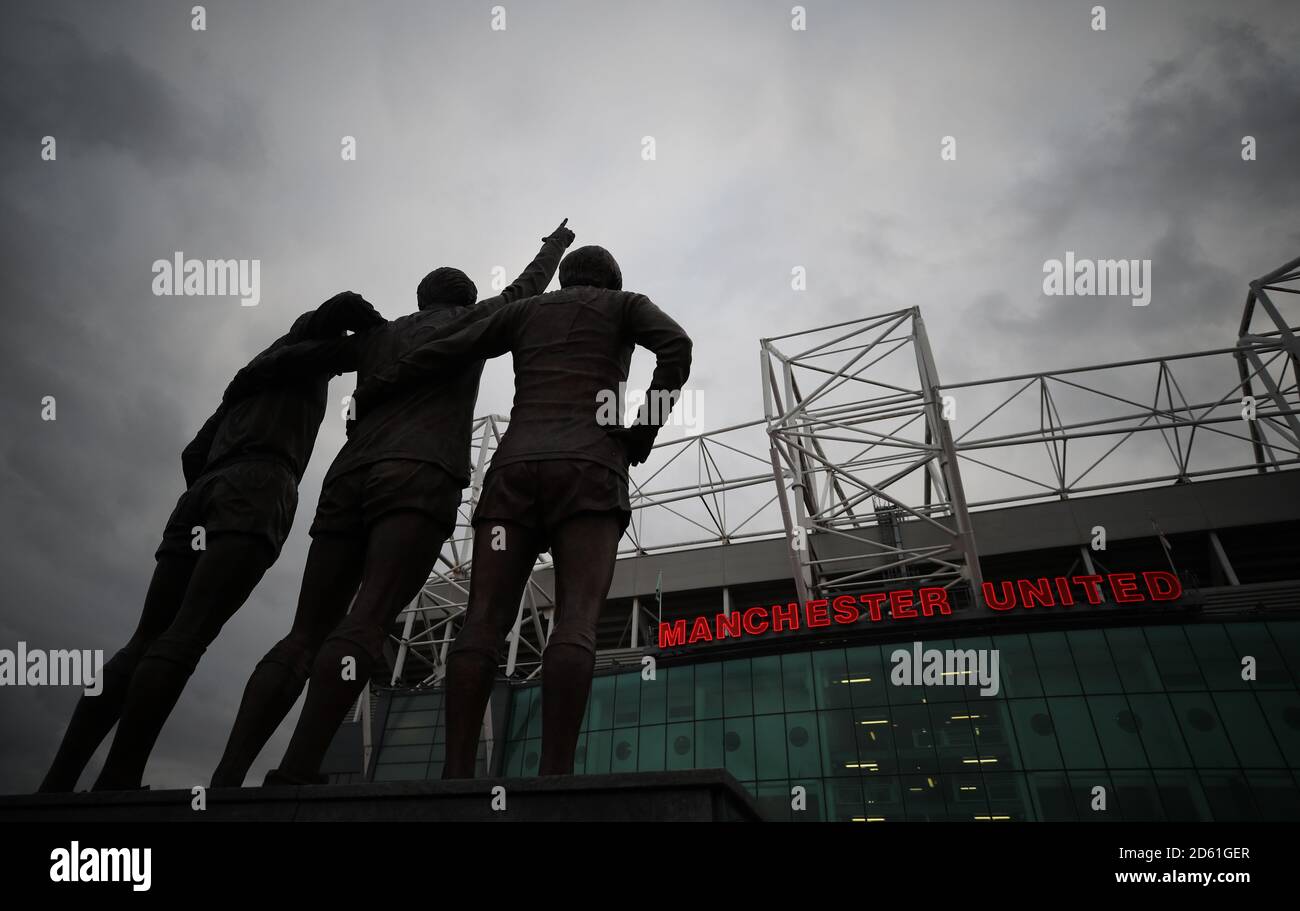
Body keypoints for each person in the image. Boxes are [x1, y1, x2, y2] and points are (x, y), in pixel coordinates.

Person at [210, 220, 575, 787]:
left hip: (348, 476)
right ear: (466, 299)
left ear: (420, 296)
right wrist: (555, 247)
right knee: (368, 618)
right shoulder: (475, 321)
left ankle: (228, 778)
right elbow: (526, 290)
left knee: (303, 632)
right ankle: (298, 769)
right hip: (419, 475)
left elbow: (300, 356)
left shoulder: (378, 339)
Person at [351, 244, 691, 777]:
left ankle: (457, 773)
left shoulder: (524, 312)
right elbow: (676, 345)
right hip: (589, 469)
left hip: (513, 471)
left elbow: (450, 346)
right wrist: (644, 429)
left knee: (482, 621)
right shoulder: (625, 305)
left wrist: (378, 386)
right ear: (609, 281)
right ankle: (554, 775)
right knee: (576, 620)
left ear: (564, 278)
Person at [39, 292, 383, 792]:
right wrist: (385, 331)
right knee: (188, 634)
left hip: (203, 491)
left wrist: (215, 489)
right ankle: (118, 777)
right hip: (259, 484)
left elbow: (192, 452)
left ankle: (59, 780)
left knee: (145, 638)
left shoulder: (245, 380)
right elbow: (350, 311)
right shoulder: (309, 351)